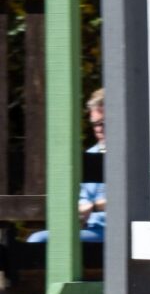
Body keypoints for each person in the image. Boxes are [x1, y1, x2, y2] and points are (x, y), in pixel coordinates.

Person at [30, 90, 105, 245]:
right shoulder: (89, 155)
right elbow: (82, 201)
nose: (98, 129)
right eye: (94, 124)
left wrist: (94, 207)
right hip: (88, 229)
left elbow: (135, 200)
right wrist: (78, 211)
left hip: (117, 232)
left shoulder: (132, 156)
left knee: (39, 241)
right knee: (34, 241)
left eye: (103, 123)